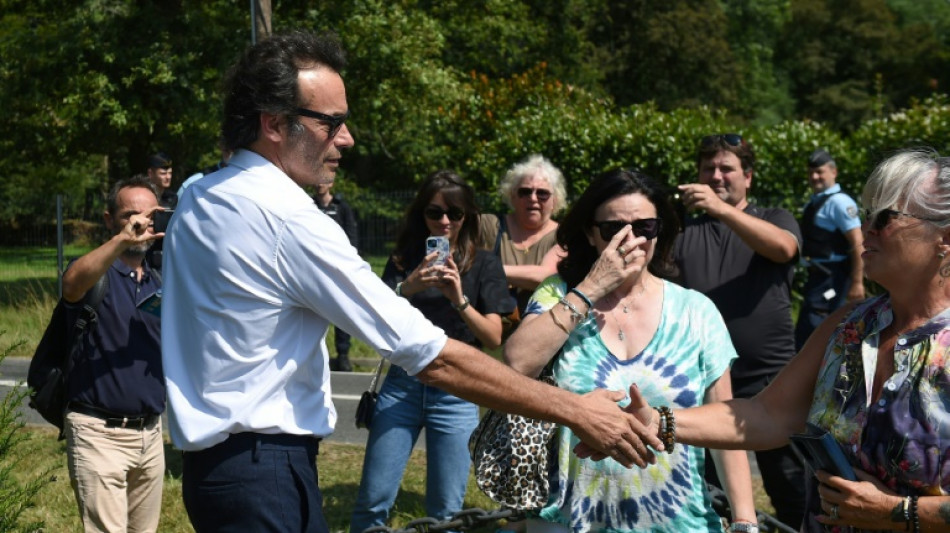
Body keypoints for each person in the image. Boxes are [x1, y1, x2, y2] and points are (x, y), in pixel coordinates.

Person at [162, 30, 661, 533]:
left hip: (217, 476)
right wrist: (575, 411)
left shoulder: (200, 196)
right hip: (264, 476)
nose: (347, 139)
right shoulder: (288, 219)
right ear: (273, 123)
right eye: (331, 122)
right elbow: (432, 357)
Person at [623, 149, 950, 533]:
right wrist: (657, 421)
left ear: (945, 237)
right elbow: (766, 415)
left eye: (884, 217)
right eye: (866, 215)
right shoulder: (847, 327)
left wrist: (897, 512)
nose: (866, 229)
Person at [505, 169, 757, 532]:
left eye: (645, 227)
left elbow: (725, 425)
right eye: (613, 229)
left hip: (679, 523)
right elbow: (517, 362)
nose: (630, 239)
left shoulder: (696, 311)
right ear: (591, 233)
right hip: (571, 522)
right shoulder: (559, 295)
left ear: (661, 231)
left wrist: (745, 520)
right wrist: (591, 286)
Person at [351, 170, 513, 532]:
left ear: (467, 217)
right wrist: (405, 288)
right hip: (402, 386)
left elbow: (492, 337)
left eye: (454, 214)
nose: (443, 222)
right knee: (373, 499)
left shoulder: (484, 263)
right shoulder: (402, 260)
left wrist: (459, 300)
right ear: (420, 214)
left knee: (446, 512)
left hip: (457, 391)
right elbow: (372, 322)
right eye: (434, 212)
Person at [673, 133, 806, 529]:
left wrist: (719, 209)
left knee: (794, 489)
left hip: (773, 379)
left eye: (726, 168)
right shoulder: (683, 231)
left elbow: (783, 248)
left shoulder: (774, 218)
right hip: (705, 383)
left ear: (748, 177)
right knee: (715, 495)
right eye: (707, 169)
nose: (716, 176)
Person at [61, 175, 166, 533]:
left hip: (149, 435)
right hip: (98, 434)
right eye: (129, 216)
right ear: (109, 220)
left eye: (149, 215)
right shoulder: (98, 274)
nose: (141, 223)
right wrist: (123, 239)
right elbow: (72, 283)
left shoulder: (160, 279)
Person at [478, 154, 567, 319]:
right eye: (525, 192)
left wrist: (489, 269)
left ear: (555, 200)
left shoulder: (564, 236)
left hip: (541, 336)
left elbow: (546, 276)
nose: (533, 198)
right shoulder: (488, 226)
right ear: (512, 196)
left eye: (542, 193)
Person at [794, 148, 866, 350]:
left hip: (832, 279)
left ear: (833, 172)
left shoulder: (839, 203)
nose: (814, 177)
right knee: (809, 329)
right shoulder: (815, 201)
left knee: (817, 329)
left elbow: (857, 242)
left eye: (820, 172)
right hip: (818, 278)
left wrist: (857, 282)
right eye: (811, 173)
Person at [313, 176, 359, 372]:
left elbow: (352, 236)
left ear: (331, 184)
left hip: (338, 266)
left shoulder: (342, 207)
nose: (320, 184)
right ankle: (315, 354)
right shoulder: (307, 205)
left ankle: (343, 355)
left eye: (324, 181)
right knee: (314, 313)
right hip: (315, 266)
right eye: (318, 181)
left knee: (341, 312)